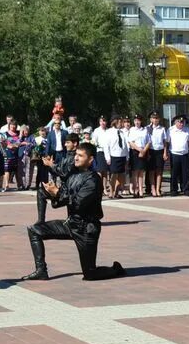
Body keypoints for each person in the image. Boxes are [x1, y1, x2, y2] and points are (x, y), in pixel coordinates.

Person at [21, 142, 126, 281]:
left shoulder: (94, 180)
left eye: (80, 156)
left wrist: (57, 192)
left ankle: (115, 269)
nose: (76, 158)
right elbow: (59, 202)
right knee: (34, 230)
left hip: (87, 229)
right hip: (71, 224)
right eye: (76, 154)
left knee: (90, 274)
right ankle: (41, 271)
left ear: (90, 160)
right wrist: (52, 193)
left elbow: (78, 204)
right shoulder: (72, 175)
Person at [36, 132, 78, 223]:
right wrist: (50, 165)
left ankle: (72, 219)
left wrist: (51, 165)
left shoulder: (76, 157)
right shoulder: (67, 155)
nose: (65, 144)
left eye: (67, 142)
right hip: (64, 189)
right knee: (41, 192)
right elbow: (58, 171)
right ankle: (40, 221)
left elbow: (65, 173)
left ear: (75, 144)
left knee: (72, 218)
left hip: (71, 192)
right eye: (65, 142)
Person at [127, 114, 150, 198]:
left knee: (141, 172)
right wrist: (139, 150)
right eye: (135, 120)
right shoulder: (132, 130)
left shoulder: (145, 130)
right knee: (135, 172)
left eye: (139, 120)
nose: (137, 122)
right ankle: (135, 189)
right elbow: (131, 142)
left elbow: (149, 141)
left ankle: (141, 190)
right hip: (135, 152)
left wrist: (143, 150)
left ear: (141, 121)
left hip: (143, 151)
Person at [168, 116, 189, 196]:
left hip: (184, 154)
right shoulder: (171, 130)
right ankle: (174, 190)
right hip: (174, 154)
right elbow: (168, 141)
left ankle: (185, 189)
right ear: (175, 122)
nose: (181, 123)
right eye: (179, 122)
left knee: (185, 173)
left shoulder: (187, 130)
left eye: (182, 122)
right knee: (174, 173)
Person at [147, 113, 169, 197]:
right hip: (151, 151)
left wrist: (165, 152)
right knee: (152, 171)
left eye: (157, 118)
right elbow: (146, 141)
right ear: (151, 119)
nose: (155, 120)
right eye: (153, 118)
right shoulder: (147, 128)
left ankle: (157, 189)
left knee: (159, 171)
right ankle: (153, 189)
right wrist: (148, 153)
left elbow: (164, 142)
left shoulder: (162, 129)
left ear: (159, 119)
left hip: (160, 151)